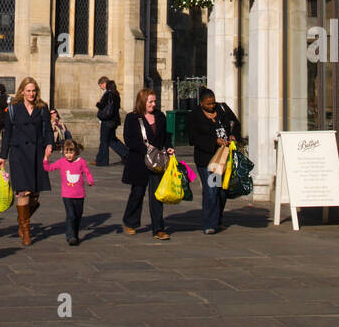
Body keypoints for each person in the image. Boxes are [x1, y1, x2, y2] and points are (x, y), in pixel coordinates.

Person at [0, 76, 54, 247]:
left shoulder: (42, 107)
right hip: (19, 154)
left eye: (33, 90)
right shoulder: (14, 108)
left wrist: (49, 144)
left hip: (37, 153)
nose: (31, 93)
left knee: (35, 195)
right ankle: (26, 231)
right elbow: (7, 133)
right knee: (23, 192)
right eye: (28, 90)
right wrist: (2, 156)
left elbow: (48, 129)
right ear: (22, 91)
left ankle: (22, 218)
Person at [121, 88, 174, 240]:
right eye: (150, 101)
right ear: (142, 102)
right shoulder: (132, 118)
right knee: (137, 193)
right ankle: (130, 222)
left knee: (157, 195)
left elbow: (165, 136)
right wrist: (146, 149)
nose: (153, 104)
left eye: (154, 101)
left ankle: (158, 228)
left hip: (156, 161)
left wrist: (168, 146)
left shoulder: (160, 116)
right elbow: (129, 140)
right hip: (139, 161)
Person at [187, 89, 240, 235]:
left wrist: (233, 136)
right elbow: (193, 138)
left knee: (222, 191)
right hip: (208, 160)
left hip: (224, 157)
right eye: (208, 104)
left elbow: (235, 124)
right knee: (212, 189)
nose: (211, 106)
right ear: (201, 103)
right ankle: (209, 223)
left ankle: (217, 218)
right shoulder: (195, 116)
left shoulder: (222, 109)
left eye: (213, 103)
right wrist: (214, 141)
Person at [44, 137, 94, 245]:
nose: (69, 155)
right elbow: (48, 168)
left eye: (71, 152)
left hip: (80, 194)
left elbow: (87, 172)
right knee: (71, 215)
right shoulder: (61, 162)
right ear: (63, 153)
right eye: (66, 152)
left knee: (78, 215)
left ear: (76, 152)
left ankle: (75, 234)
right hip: (67, 195)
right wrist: (46, 158)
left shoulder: (81, 162)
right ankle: (70, 236)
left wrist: (90, 180)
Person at [95, 76, 128, 166]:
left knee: (104, 141)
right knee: (112, 140)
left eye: (101, 85)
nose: (101, 87)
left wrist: (98, 105)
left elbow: (104, 107)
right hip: (114, 121)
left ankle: (102, 161)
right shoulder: (116, 94)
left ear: (105, 84)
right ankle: (126, 155)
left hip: (107, 121)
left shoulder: (108, 94)